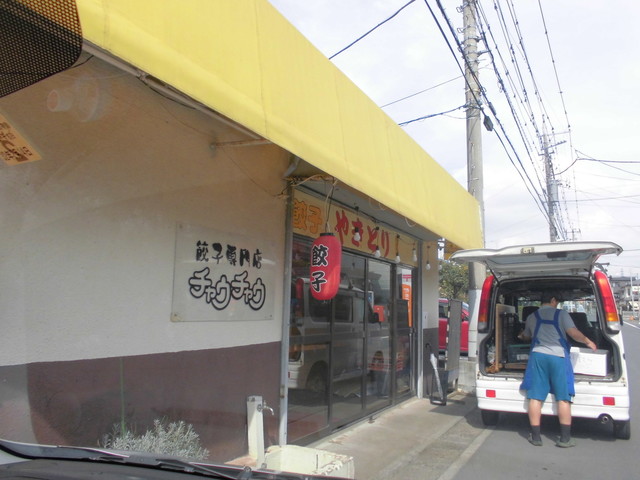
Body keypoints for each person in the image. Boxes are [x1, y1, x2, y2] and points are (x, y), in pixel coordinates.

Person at [518, 293, 597, 448]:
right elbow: (573, 333)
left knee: (535, 397)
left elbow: (526, 336)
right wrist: (588, 341)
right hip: (558, 357)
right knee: (563, 397)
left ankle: (536, 437)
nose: (557, 303)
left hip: (538, 356)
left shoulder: (532, 317)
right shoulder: (562, 314)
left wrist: (520, 335)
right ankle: (565, 439)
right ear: (553, 300)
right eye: (557, 301)